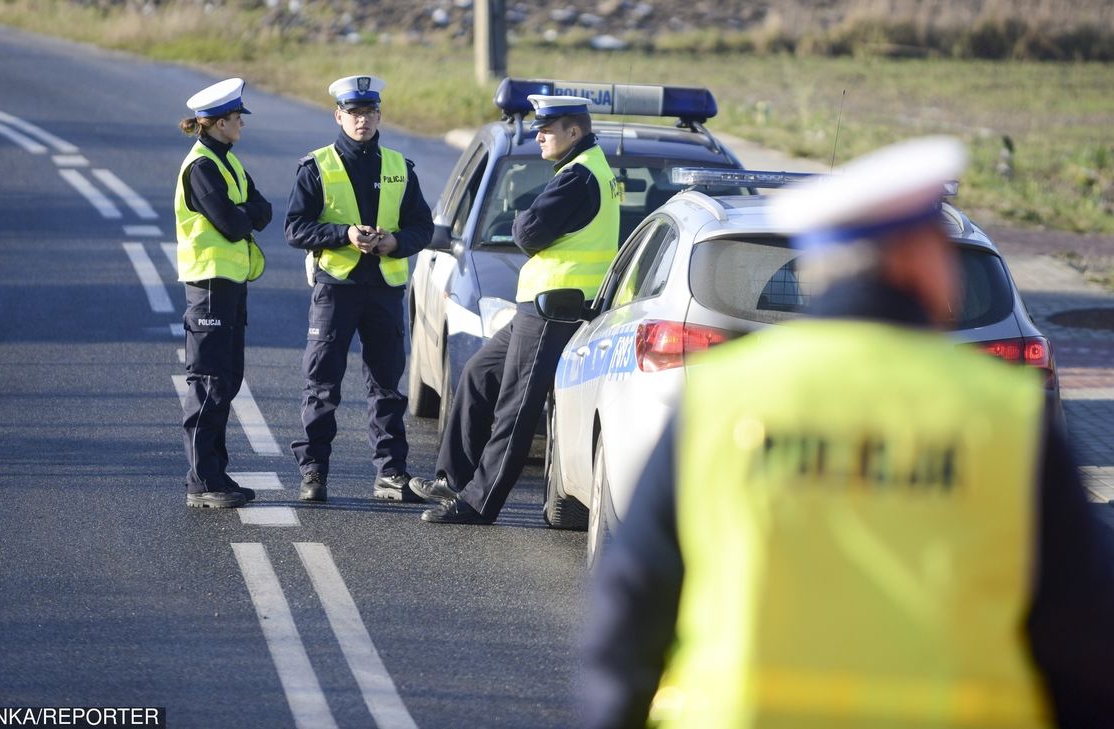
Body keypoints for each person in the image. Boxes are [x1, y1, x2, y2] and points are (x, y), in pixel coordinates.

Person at [578, 137, 1114, 728]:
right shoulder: (1001, 418)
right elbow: (1081, 633)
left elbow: (632, 611)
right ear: (917, 256)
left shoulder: (721, 401)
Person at [408, 95, 620, 524]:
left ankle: (479, 503)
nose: (539, 135)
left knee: (516, 407)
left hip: (554, 309)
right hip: (538, 306)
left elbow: (527, 233)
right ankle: (454, 479)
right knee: (479, 374)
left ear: (573, 132)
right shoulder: (580, 169)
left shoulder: (578, 178)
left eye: (547, 128)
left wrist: (522, 216)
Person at [286, 75, 434, 502]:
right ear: (339, 116)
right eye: (353, 113)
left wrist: (394, 243)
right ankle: (313, 473)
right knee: (322, 384)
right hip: (336, 288)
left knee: (386, 385)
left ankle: (390, 474)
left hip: (384, 288)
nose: (361, 121)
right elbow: (294, 227)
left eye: (368, 113)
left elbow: (421, 226)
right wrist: (344, 234)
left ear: (379, 116)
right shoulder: (317, 166)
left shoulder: (398, 166)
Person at [175, 77, 272, 509]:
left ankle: (217, 473)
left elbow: (263, 210)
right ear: (216, 123)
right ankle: (202, 482)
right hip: (209, 286)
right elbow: (232, 224)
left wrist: (244, 213)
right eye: (237, 118)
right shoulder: (202, 167)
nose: (241, 125)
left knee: (227, 381)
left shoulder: (228, 163)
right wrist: (244, 214)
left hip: (230, 286)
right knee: (210, 383)